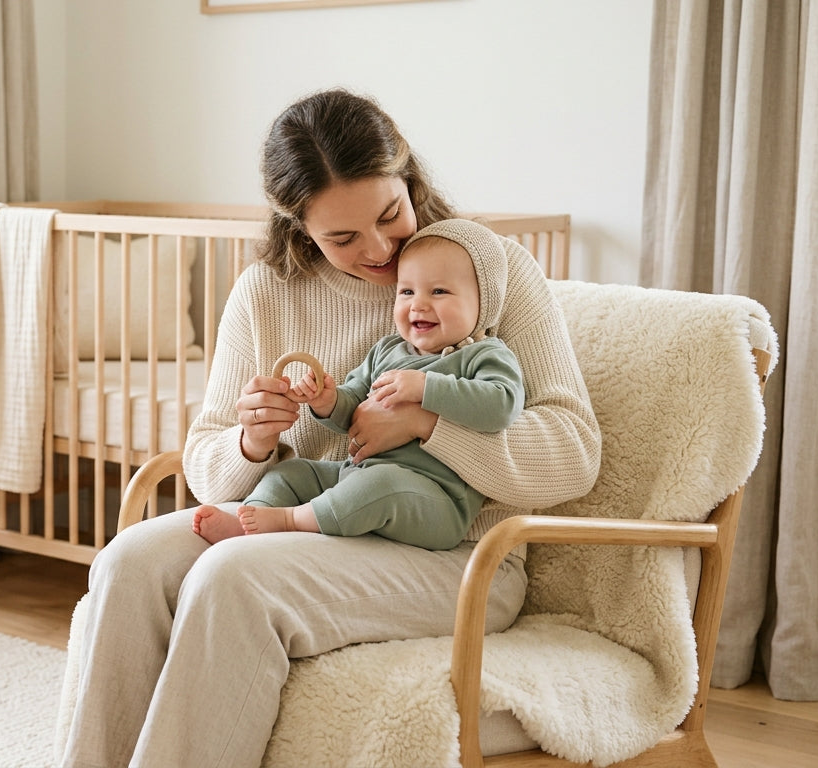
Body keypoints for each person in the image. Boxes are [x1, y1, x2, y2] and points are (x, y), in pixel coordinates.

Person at [58, 87, 600, 768]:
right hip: (304, 517)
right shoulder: (267, 291)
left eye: (391, 214)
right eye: (343, 237)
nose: (380, 250)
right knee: (126, 563)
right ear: (299, 228)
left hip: (456, 552)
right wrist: (252, 440)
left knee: (234, 579)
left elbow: (574, 453)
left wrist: (428, 424)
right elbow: (205, 469)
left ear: (410, 180)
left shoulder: (486, 270)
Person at [193, 217, 525, 551]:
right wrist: (327, 400)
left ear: (483, 303)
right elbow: (355, 409)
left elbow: (502, 404)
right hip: (357, 472)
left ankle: (290, 521)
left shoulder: (483, 354)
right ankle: (252, 518)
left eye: (439, 291)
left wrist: (426, 387)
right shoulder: (388, 350)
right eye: (406, 291)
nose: (418, 304)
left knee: (377, 485)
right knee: (292, 472)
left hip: (435, 500)